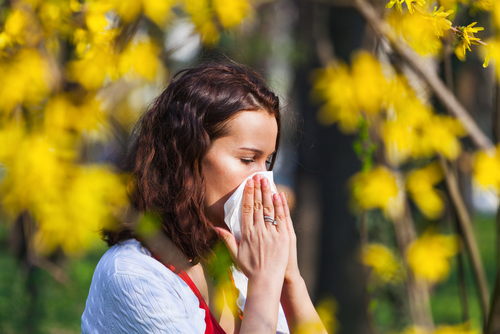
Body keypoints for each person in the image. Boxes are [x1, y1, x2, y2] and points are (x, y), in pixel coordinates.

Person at [81, 62, 327, 334]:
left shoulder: (237, 263)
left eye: (267, 162)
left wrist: (289, 278)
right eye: (247, 159)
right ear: (187, 156)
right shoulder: (133, 275)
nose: (264, 182)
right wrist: (265, 281)